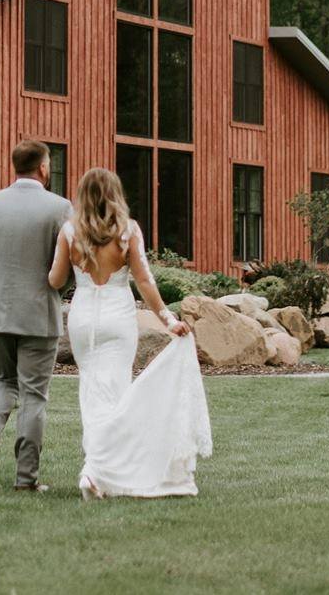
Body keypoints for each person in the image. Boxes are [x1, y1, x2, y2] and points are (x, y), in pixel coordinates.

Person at [48, 167, 212, 500]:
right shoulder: (128, 231)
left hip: (82, 320)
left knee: (92, 393)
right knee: (116, 394)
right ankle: (97, 470)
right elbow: (145, 281)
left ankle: (97, 469)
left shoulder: (69, 231)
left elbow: (55, 280)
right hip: (117, 318)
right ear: (114, 194)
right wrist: (168, 319)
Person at [0, 139, 72, 492]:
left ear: (14, 166)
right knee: (34, 395)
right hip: (38, 313)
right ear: (44, 167)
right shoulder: (61, 208)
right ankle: (26, 479)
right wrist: (58, 294)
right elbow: (66, 267)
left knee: (4, 381)